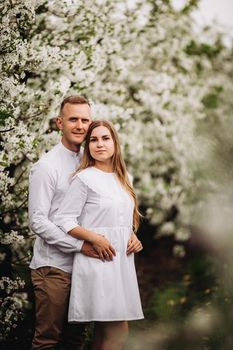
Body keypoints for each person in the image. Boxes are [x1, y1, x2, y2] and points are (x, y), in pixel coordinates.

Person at [28, 96, 143, 350]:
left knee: (75, 340)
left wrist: (128, 233)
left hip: (88, 265)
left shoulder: (92, 161)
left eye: (84, 120)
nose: (80, 125)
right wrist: (81, 245)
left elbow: (104, 211)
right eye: (73, 119)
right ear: (60, 122)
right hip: (55, 266)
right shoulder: (47, 167)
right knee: (48, 339)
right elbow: (38, 221)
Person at [54, 120, 144, 350]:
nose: (99, 144)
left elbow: (121, 218)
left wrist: (132, 235)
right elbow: (64, 219)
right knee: (118, 331)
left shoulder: (124, 178)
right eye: (93, 139)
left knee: (104, 333)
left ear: (115, 142)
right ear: (88, 145)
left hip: (121, 262)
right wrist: (94, 238)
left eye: (105, 138)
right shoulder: (84, 178)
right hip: (99, 260)